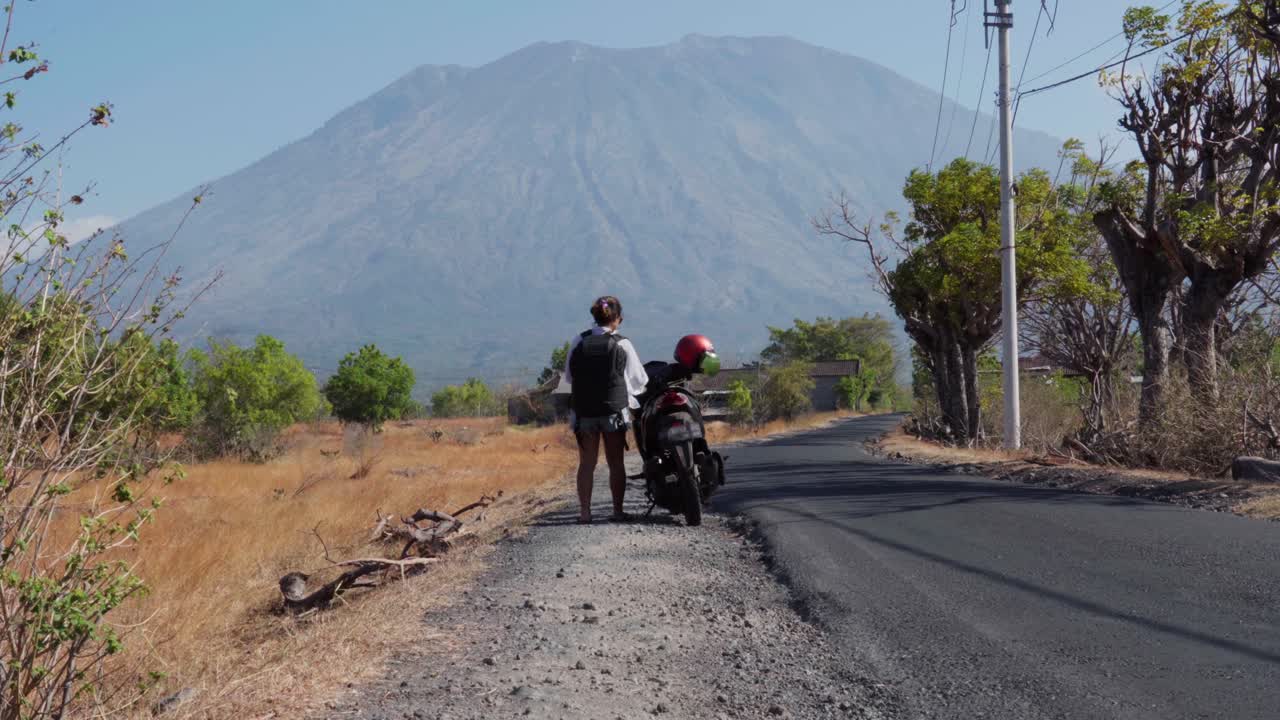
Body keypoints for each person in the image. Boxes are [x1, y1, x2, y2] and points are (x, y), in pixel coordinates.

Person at [563, 295, 649, 524]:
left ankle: (584, 513)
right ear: (618, 319)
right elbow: (640, 379)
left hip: (584, 413)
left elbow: (569, 378)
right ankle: (617, 511)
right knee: (615, 463)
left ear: (594, 316)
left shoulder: (578, 341)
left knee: (587, 464)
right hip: (614, 412)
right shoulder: (622, 343)